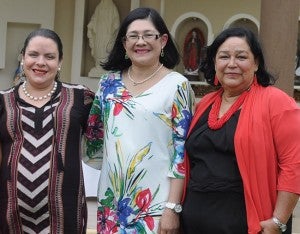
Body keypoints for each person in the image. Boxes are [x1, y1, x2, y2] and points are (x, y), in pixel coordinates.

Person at [82, 7, 194, 234]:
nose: (140, 42)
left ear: (162, 40)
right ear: (124, 43)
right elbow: (94, 139)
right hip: (112, 204)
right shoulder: (107, 84)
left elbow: (181, 153)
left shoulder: (177, 85)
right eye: (133, 36)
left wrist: (172, 207)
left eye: (148, 35)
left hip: (156, 206)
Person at [181, 27, 300, 234]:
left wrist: (278, 221)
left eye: (242, 57)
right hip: (194, 222)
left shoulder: (276, 102)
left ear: (256, 63)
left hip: (247, 224)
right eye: (224, 56)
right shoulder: (205, 104)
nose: (232, 64)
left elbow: (294, 164)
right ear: (215, 63)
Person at [0, 28, 94, 233]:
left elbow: (103, 143)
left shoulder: (81, 98)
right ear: (22, 58)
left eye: (50, 56)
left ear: (59, 62)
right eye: (33, 54)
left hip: (65, 214)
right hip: (10, 214)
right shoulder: (3, 101)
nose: (41, 62)